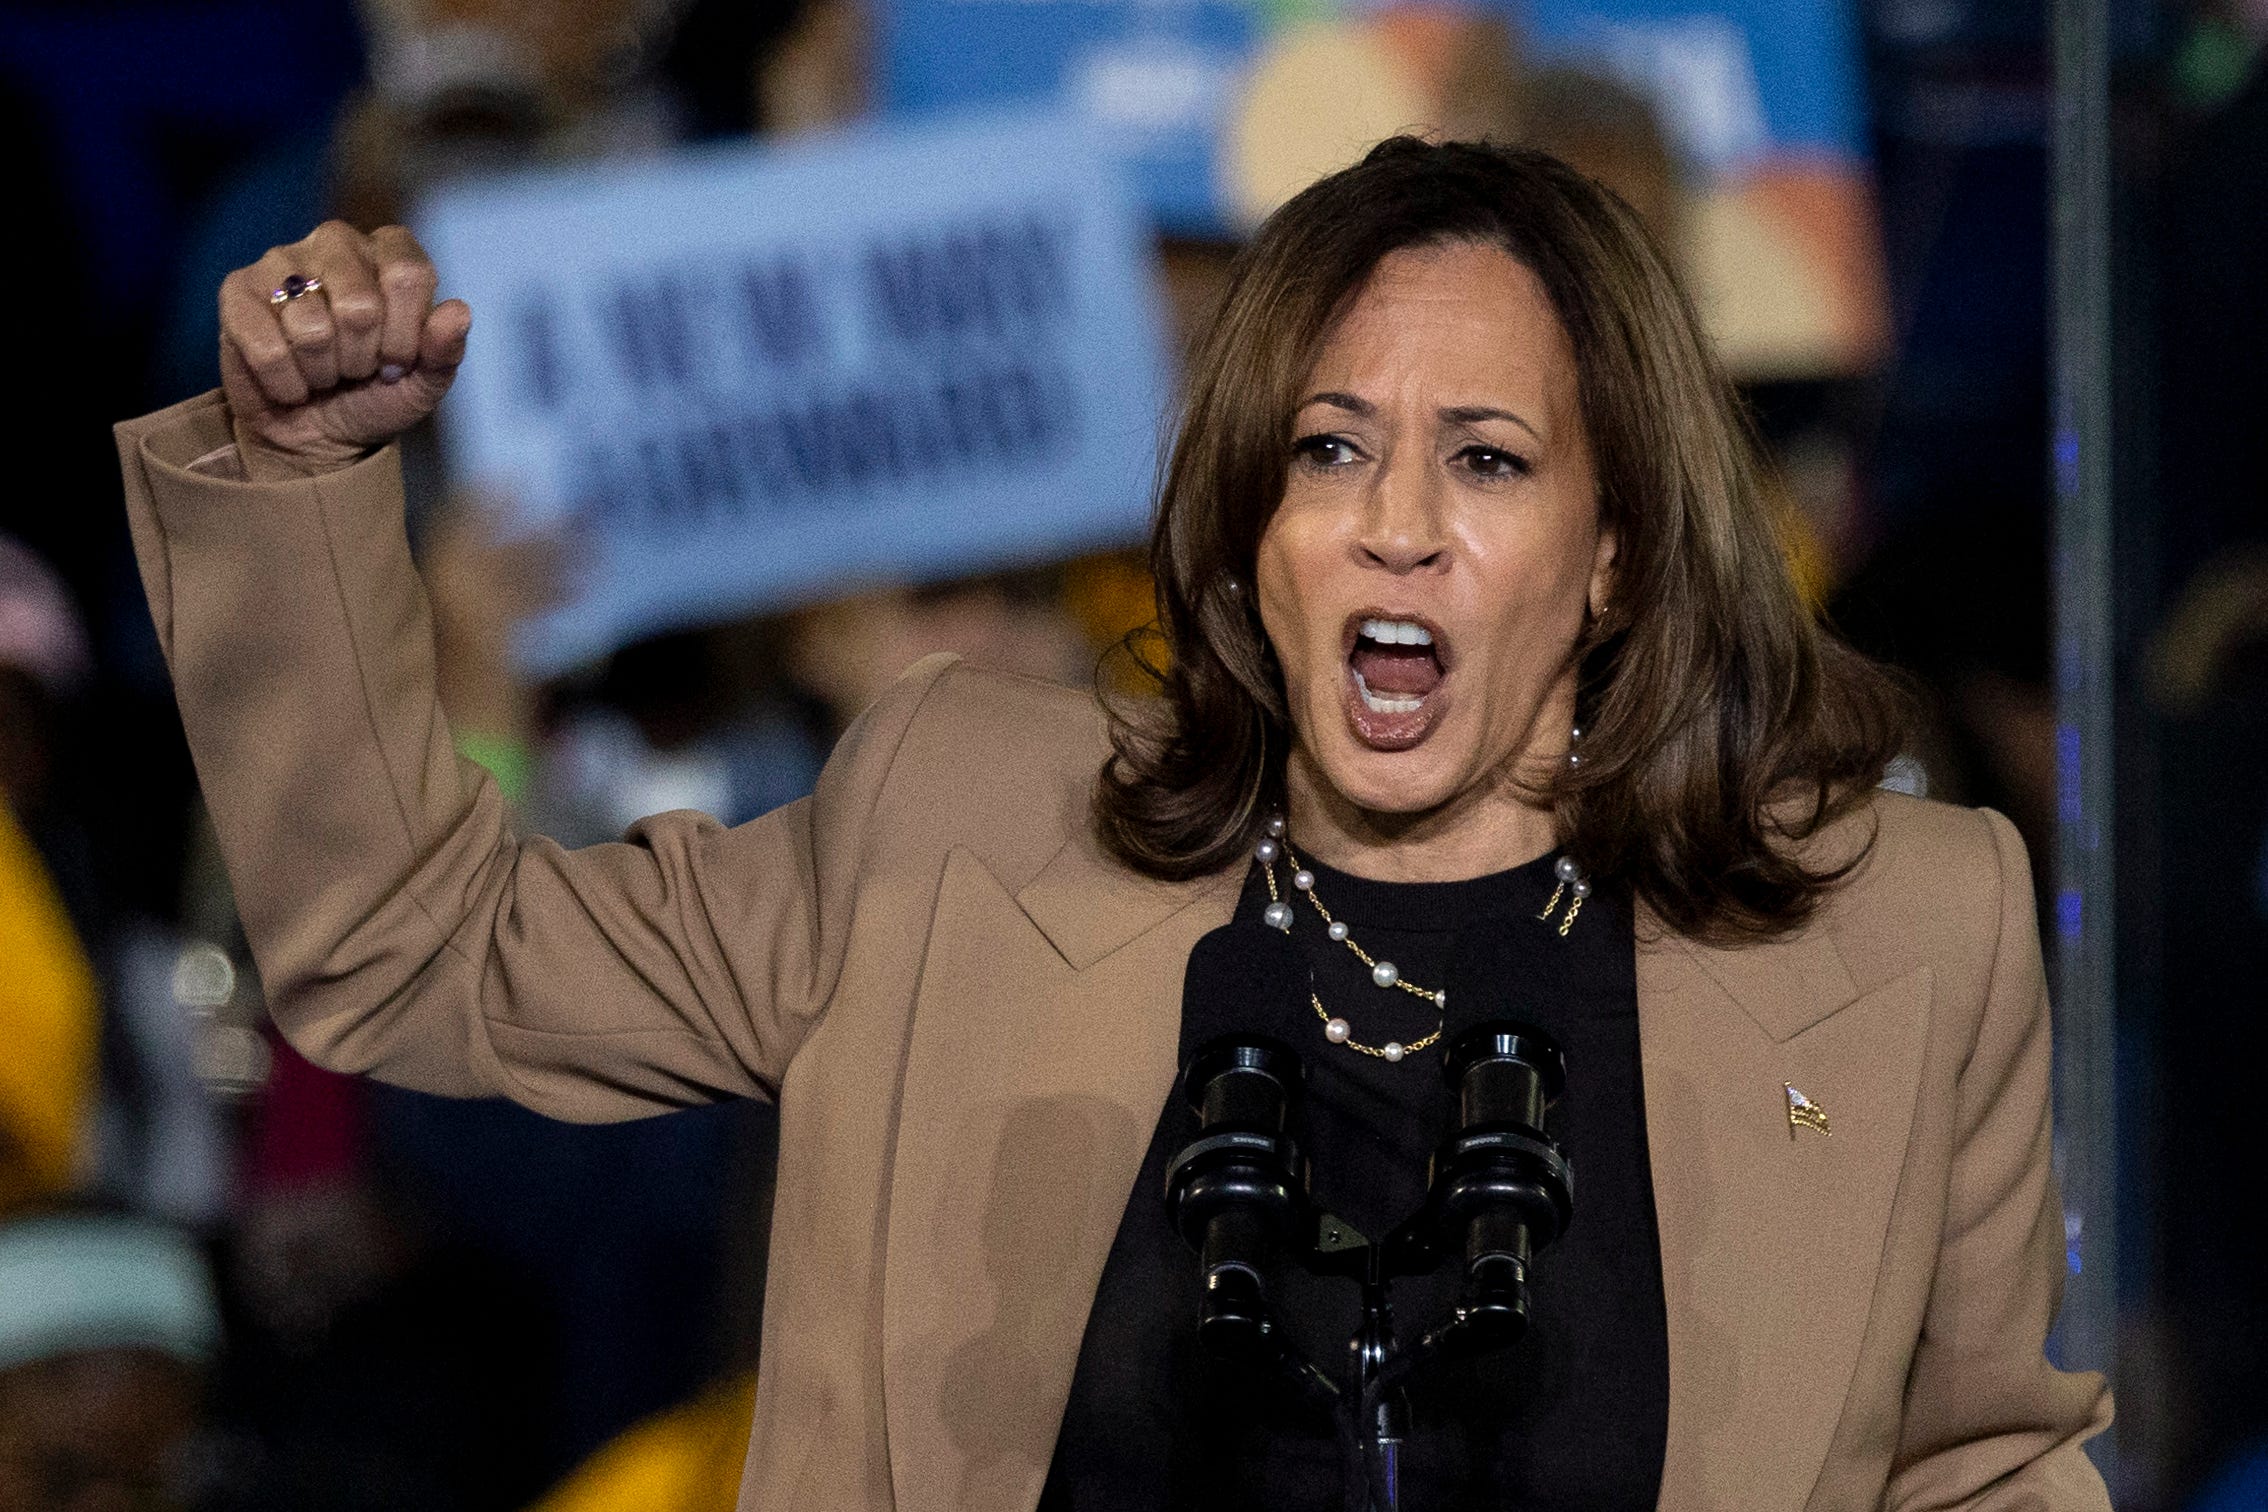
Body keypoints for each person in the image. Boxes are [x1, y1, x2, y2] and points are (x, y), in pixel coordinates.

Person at [113, 139, 2109, 1509]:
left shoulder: (1898, 936)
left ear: (1613, 557)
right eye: (1332, 447)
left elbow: (1986, 1468)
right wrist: (302, 485)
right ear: (1253, 515)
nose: (1396, 518)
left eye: (1486, 459)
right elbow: (413, 955)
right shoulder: (959, 827)